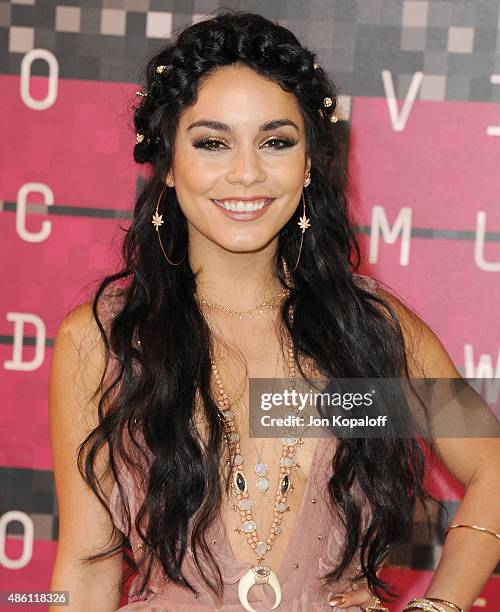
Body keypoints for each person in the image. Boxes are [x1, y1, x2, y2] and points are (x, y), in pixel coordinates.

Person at [48, 10, 500, 612]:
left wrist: (437, 607)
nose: (246, 173)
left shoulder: (365, 333)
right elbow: (85, 568)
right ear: (168, 162)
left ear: (309, 160)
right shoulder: (107, 341)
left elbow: (492, 467)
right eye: (212, 142)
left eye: (275, 141)